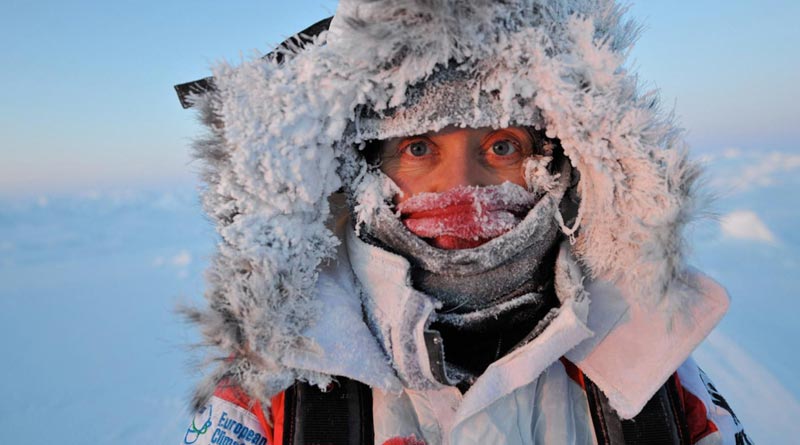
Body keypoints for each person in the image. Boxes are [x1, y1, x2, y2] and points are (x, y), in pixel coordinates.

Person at [176, 1, 752, 444]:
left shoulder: (644, 359)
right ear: (363, 171)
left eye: (501, 145)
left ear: (558, 163)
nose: (463, 187)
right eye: (420, 149)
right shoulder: (275, 379)